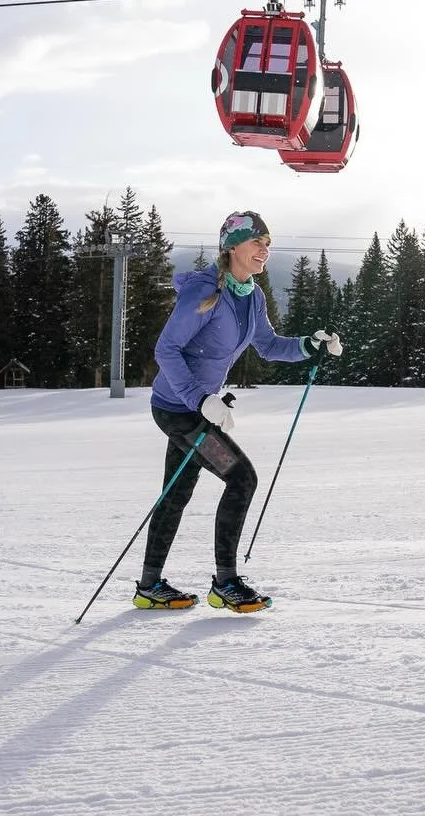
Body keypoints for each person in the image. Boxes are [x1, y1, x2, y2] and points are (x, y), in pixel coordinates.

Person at [137, 210, 342, 613]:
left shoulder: (252, 297)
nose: (264, 250)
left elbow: (267, 345)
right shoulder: (204, 293)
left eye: (267, 243)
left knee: (176, 494)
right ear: (231, 247)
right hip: (179, 410)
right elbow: (167, 350)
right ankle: (225, 582)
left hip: (197, 410)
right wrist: (200, 399)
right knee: (242, 478)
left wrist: (308, 345)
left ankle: (149, 585)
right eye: (256, 242)